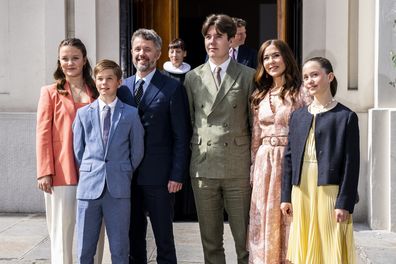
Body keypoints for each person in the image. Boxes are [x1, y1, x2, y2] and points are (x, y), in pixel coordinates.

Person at [184, 14, 255, 264]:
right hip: (204, 166)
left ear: (231, 40)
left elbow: (253, 123)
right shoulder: (192, 77)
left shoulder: (248, 75)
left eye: (218, 36)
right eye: (207, 36)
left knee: (245, 241)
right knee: (210, 242)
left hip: (237, 166)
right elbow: (191, 122)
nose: (212, 41)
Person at [117, 28, 191, 264]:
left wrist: (177, 174)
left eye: (147, 49)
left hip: (160, 178)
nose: (142, 54)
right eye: (137, 49)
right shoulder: (122, 88)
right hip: (128, 177)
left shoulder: (172, 88)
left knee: (164, 238)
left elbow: (181, 135)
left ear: (158, 53)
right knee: (133, 236)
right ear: (131, 52)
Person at [281, 57, 360, 264]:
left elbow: (351, 165)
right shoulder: (297, 116)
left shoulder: (346, 117)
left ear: (330, 76)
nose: (309, 80)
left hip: (330, 190)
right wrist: (285, 197)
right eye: (306, 77)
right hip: (302, 189)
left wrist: (344, 202)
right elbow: (288, 158)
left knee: (330, 244)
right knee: (304, 245)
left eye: (314, 75)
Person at [36, 38, 105, 264]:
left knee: (95, 231)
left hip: (95, 172)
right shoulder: (49, 92)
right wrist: (44, 171)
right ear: (59, 61)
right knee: (62, 232)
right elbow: (43, 134)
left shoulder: (98, 90)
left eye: (75, 58)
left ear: (84, 60)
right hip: (62, 172)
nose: (70, 62)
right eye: (65, 58)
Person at [73, 59, 144, 263]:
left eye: (109, 79)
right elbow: (78, 150)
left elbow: (137, 149)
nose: (104, 83)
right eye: (100, 79)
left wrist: (125, 170)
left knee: (120, 248)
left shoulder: (130, 114)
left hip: (119, 188)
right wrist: (89, 170)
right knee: (85, 249)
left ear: (119, 82)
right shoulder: (83, 114)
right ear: (95, 81)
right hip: (88, 189)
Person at [247, 39, 310, 264]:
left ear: (286, 58)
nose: (271, 62)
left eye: (275, 55)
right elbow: (256, 136)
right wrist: (253, 168)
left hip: (290, 160)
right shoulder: (260, 95)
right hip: (265, 162)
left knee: (289, 218)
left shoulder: (301, 93)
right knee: (263, 217)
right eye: (265, 58)